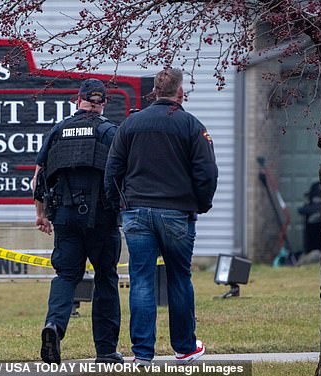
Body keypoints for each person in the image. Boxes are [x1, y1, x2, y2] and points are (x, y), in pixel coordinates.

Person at [104, 68, 218, 365]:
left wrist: (117, 204)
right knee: (179, 278)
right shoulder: (192, 126)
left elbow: (113, 169)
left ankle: (142, 354)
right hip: (177, 214)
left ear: (155, 91)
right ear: (180, 93)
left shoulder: (130, 124)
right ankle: (184, 348)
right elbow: (207, 172)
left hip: (137, 213)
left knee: (141, 280)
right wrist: (201, 204)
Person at [33, 78, 123, 364]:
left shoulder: (57, 131)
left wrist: (40, 214)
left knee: (66, 276)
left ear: (78, 99)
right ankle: (106, 352)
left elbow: (39, 176)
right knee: (106, 277)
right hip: (101, 218)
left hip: (65, 217)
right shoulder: (110, 132)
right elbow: (124, 172)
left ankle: (54, 327)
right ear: (103, 103)